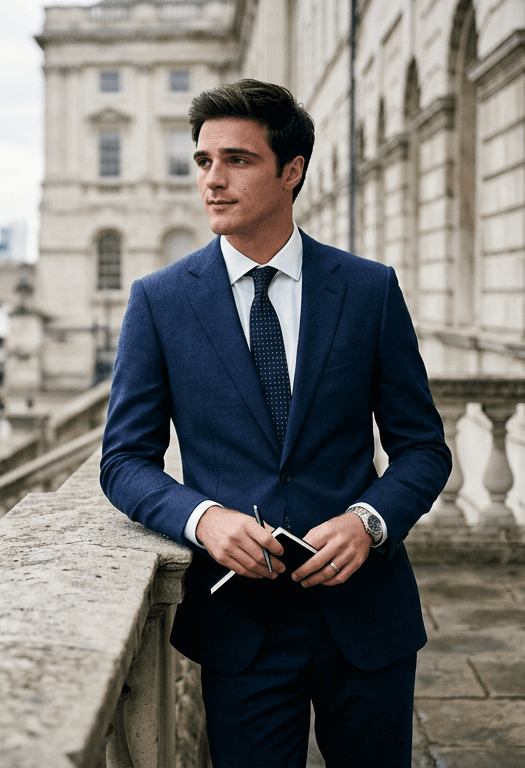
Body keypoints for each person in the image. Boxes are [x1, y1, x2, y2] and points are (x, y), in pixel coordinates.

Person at [99, 80, 451, 767]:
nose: (212, 180)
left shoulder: (369, 289)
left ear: (291, 171)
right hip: (240, 623)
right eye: (204, 161)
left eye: (237, 160)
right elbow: (123, 462)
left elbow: (422, 449)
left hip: (366, 612)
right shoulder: (160, 302)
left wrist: (369, 521)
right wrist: (204, 519)